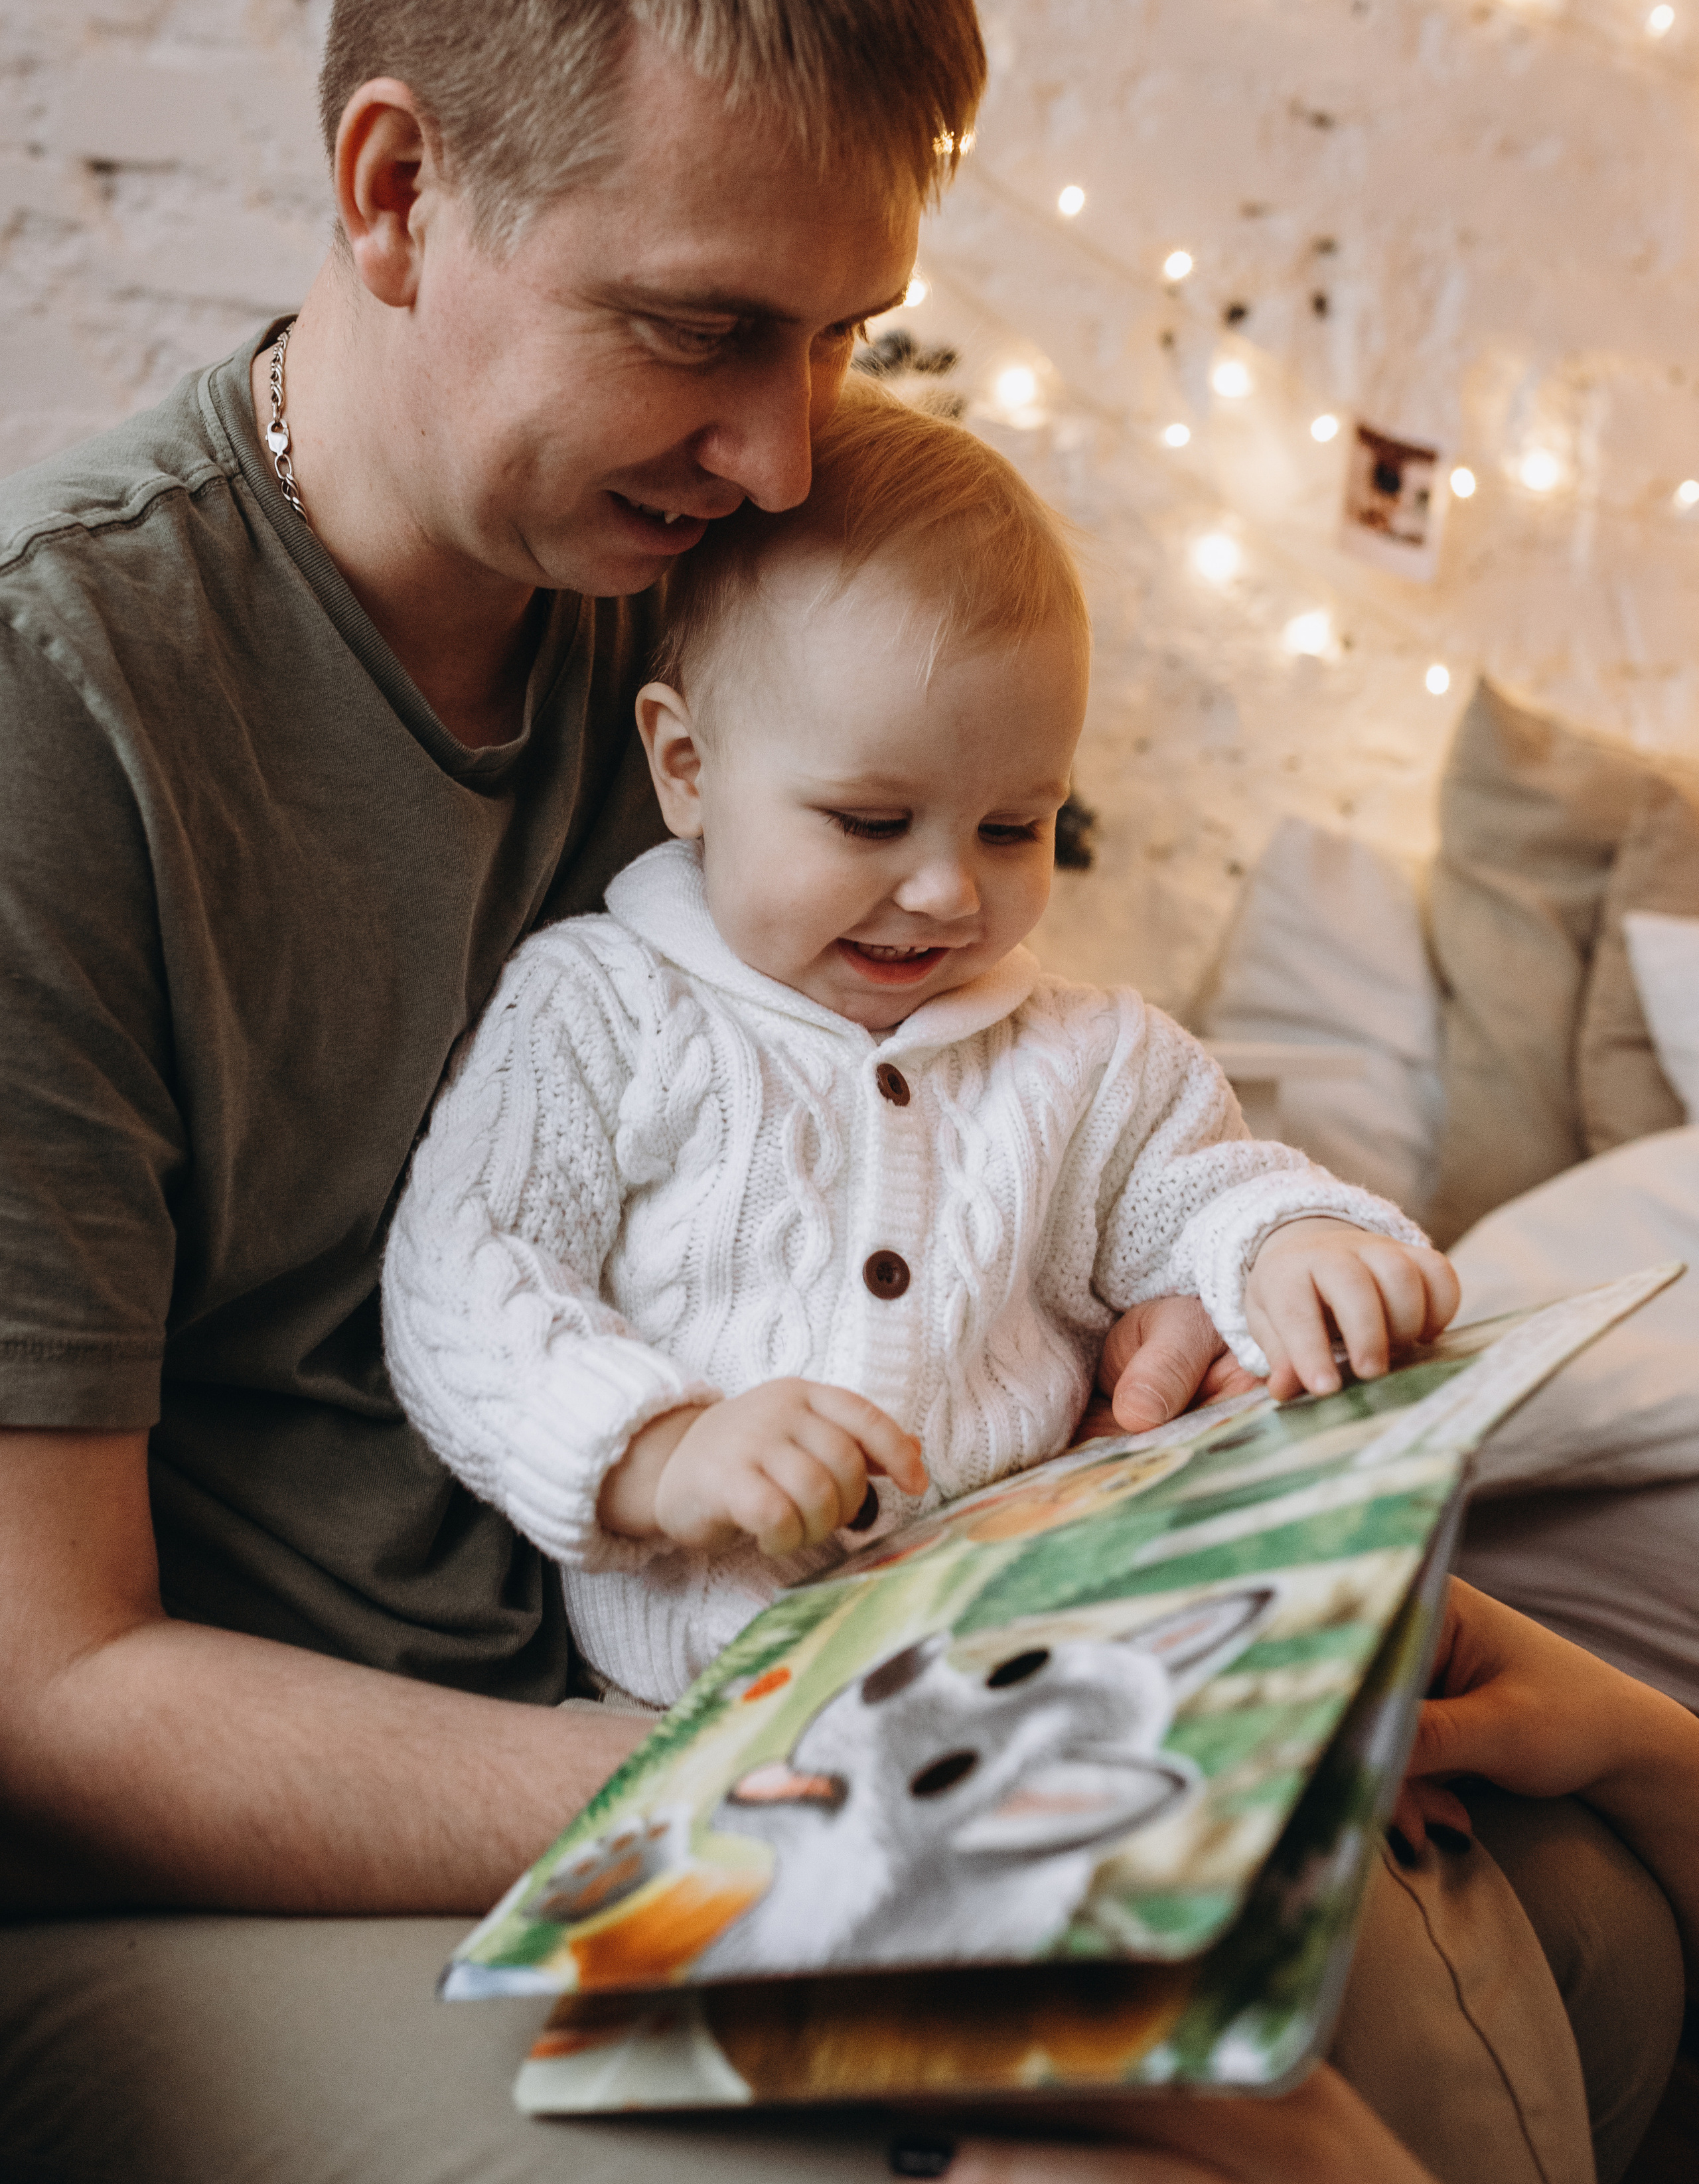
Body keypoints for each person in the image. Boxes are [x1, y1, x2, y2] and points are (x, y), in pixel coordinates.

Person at [0, 5, 1682, 2181]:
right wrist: (828, 1772)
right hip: (299, 1839)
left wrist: (1150, 1316)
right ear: (399, 192)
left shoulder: (709, 574)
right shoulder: (72, 720)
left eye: (843, 342)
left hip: (807, 1649)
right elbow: (51, 1693)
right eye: (704, 330)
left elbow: (1020, 1097)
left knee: (1491, 1827)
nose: (787, 456)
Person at [381, 384, 1453, 1709]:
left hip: (1039, 1656)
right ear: (687, 767)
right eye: (869, 820)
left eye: (1012, 829)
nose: (948, 892)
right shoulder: (599, 1006)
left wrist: (1292, 1242)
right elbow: (466, 1270)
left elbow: (1196, 1194)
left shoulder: (1094, 1052)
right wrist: (657, 1448)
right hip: (698, 1696)